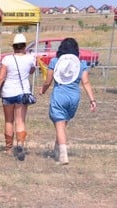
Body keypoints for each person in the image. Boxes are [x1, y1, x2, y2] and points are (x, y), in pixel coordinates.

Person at [40, 37, 96, 166]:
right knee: (62, 126)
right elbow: (86, 82)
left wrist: (42, 90)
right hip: (74, 97)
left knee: (59, 126)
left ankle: (63, 156)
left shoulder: (55, 62)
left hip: (60, 96)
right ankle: (57, 150)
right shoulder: (81, 64)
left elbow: (48, 81)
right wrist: (92, 100)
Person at [0, 33, 36, 160]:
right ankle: (20, 144)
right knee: (20, 121)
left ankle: (8, 148)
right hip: (23, 93)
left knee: (9, 121)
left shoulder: (7, 59)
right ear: (25, 46)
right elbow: (32, 71)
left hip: (8, 93)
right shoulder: (30, 58)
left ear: (13, 46)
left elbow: (1, 78)